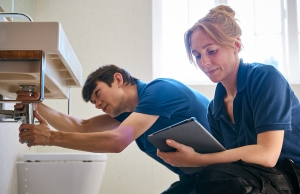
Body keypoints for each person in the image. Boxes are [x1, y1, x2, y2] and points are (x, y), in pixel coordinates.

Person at [157, 5, 300, 194]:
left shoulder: (266, 78)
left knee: (215, 175)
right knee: (182, 189)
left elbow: (267, 155)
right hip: (255, 177)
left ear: (237, 46)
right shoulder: (215, 108)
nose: (204, 63)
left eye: (212, 51)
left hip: (291, 176)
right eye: (197, 55)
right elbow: (227, 158)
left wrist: (197, 159)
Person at [16, 64, 210, 194]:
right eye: (93, 102)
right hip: (196, 179)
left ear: (118, 79)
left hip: (227, 173)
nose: (97, 104)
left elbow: (117, 140)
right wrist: (37, 105)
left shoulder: (160, 90)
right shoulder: (129, 114)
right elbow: (82, 126)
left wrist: (50, 138)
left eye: (98, 94)